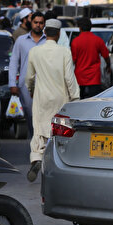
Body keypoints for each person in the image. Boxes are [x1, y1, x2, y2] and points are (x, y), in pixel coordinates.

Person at [25, 18, 79, 181]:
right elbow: (69, 78)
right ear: (59, 34)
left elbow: (29, 78)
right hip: (60, 97)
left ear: (45, 32)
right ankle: (59, 162)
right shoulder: (64, 52)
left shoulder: (34, 52)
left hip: (41, 97)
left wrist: (31, 90)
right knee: (58, 131)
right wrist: (75, 97)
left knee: (39, 130)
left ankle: (36, 159)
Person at [7, 11, 47, 140]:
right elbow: (14, 63)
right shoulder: (21, 41)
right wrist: (12, 84)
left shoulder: (48, 41)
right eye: (36, 22)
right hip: (25, 87)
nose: (38, 25)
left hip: (45, 84)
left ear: (44, 24)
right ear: (31, 22)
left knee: (44, 115)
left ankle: (42, 142)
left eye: (41, 23)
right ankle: (35, 140)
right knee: (30, 115)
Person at [70, 17, 110, 98]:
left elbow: (73, 60)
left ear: (79, 28)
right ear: (90, 27)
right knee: (93, 101)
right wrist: (108, 66)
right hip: (94, 77)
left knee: (79, 101)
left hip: (79, 77)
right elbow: (106, 55)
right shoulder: (98, 40)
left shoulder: (75, 41)